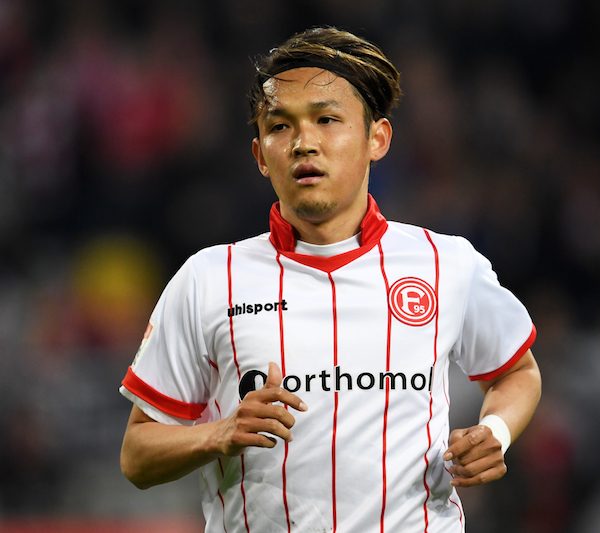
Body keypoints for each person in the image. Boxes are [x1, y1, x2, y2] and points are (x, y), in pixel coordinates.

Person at [119, 26, 541, 533]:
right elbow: (137, 455)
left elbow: (517, 372)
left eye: (326, 119)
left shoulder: (445, 264)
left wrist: (496, 431)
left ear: (376, 139)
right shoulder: (208, 279)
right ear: (260, 156)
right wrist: (221, 432)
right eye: (280, 126)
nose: (303, 143)